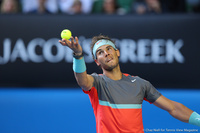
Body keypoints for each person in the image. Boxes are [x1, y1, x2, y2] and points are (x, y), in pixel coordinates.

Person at [59, 35, 200, 133]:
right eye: (100, 52)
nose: (106, 53)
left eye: (109, 49)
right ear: (97, 61)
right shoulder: (97, 82)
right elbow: (83, 81)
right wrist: (78, 55)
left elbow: (173, 108)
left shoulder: (140, 84)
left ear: (117, 52)